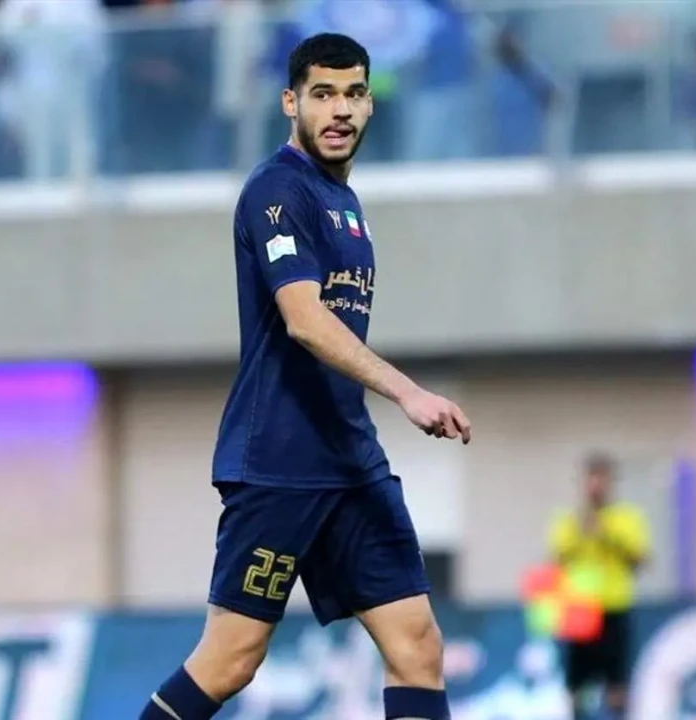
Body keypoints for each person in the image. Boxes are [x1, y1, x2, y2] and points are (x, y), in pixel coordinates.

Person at [139, 33, 472, 720]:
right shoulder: (277, 190)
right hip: (280, 463)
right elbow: (304, 320)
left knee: (417, 647)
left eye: (354, 94)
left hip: (351, 460)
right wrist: (408, 391)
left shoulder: (343, 202)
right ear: (291, 102)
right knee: (232, 658)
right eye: (323, 94)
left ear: (370, 105)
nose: (340, 109)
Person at [548, 452, 650, 720]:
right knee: (577, 683)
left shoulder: (626, 518)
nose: (596, 485)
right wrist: (582, 533)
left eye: (602, 479)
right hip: (580, 610)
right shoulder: (570, 520)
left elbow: (639, 559)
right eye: (591, 478)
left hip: (615, 606)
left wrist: (606, 535)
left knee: (617, 682)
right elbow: (557, 558)